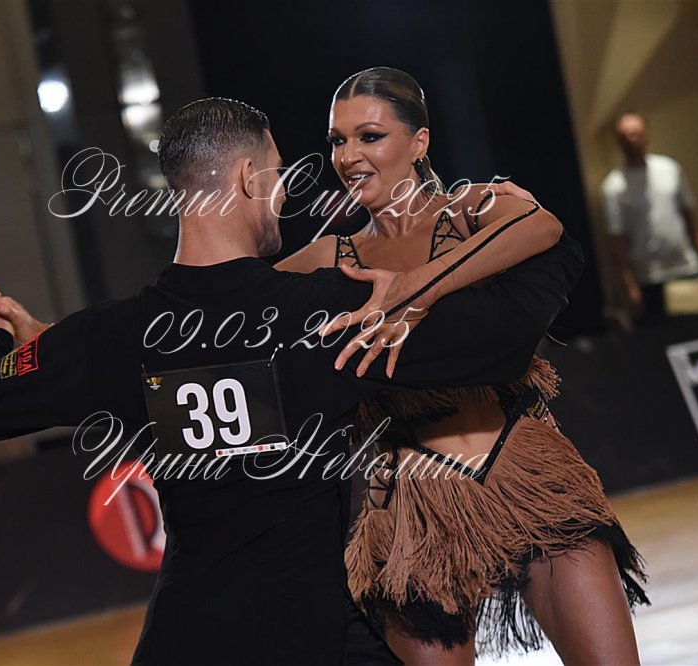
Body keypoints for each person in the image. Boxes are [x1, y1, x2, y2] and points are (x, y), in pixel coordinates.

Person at [0, 97, 581, 665]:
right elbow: (503, 337)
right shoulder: (324, 312)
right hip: (319, 635)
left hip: (187, 638)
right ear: (249, 177)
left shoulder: (114, 337)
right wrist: (530, 236)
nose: (283, 193)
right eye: (276, 174)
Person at [276, 68, 648, 664]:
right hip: (411, 504)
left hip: (528, 474)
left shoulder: (475, 206)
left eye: (370, 136)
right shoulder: (330, 255)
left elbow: (543, 226)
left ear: (419, 142)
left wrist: (414, 288)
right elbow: (232, 303)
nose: (348, 157)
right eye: (337, 141)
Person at [603, 111, 698, 322]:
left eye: (636, 133)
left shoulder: (669, 169)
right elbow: (617, 241)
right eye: (626, 135)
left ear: (646, 134)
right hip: (649, 277)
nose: (632, 139)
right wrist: (628, 283)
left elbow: (689, 216)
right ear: (619, 141)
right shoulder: (613, 187)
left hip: (686, 265)